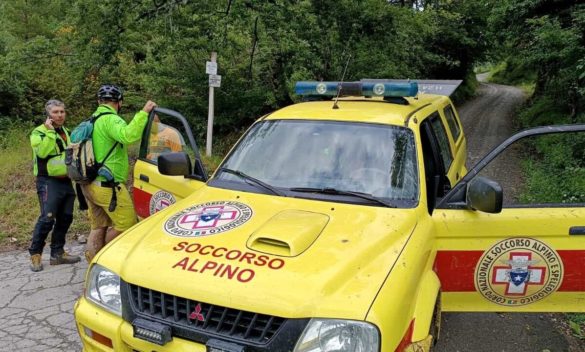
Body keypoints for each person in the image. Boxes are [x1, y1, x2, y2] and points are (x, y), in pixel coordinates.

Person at [81, 84, 156, 262]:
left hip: (89, 183)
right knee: (128, 225)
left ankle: (92, 260)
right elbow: (128, 136)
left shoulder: (93, 119)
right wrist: (144, 113)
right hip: (108, 186)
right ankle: (105, 259)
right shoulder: (110, 119)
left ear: (99, 101)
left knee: (98, 226)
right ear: (119, 102)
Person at [29, 99, 81, 272]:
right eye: (56, 112)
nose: (60, 115)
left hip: (65, 179)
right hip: (47, 181)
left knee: (66, 217)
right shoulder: (39, 133)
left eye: (62, 112)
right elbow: (43, 152)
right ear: (48, 115)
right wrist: (50, 133)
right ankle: (35, 254)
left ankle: (57, 253)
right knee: (47, 217)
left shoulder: (66, 131)